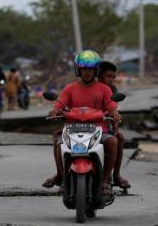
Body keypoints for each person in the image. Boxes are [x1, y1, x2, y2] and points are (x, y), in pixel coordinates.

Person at [42, 50, 121, 197]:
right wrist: (54, 110)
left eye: (91, 69)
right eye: (84, 69)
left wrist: (114, 113)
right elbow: (59, 104)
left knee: (113, 142)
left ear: (96, 70)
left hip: (99, 130)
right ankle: (63, 178)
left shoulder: (104, 89)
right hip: (72, 129)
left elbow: (111, 106)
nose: (87, 73)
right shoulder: (69, 88)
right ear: (78, 69)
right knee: (59, 143)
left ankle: (105, 181)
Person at [98, 61, 131, 189]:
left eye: (113, 77)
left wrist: (115, 128)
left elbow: (113, 111)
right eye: (108, 76)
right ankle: (63, 178)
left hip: (105, 125)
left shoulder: (112, 89)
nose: (111, 79)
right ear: (99, 75)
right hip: (85, 124)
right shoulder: (89, 86)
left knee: (119, 139)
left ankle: (115, 175)